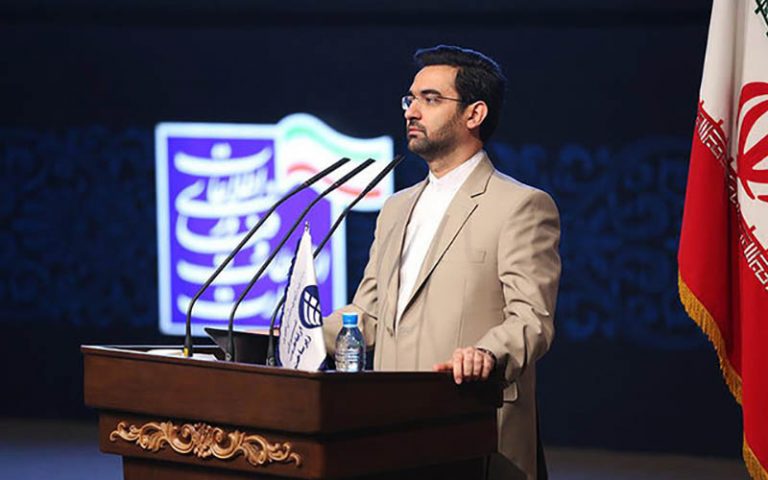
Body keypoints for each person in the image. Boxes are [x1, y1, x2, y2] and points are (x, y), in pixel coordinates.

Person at [323, 45, 561, 480]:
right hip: (387, 432)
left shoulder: (520, 206)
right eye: (410, 99)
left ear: (474, 114)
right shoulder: (395, 207)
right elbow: (368, 315)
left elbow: (532, 319)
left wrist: (487, 353)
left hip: (470, 429)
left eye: (430, 99)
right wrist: (298, 338)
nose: (412, 111)